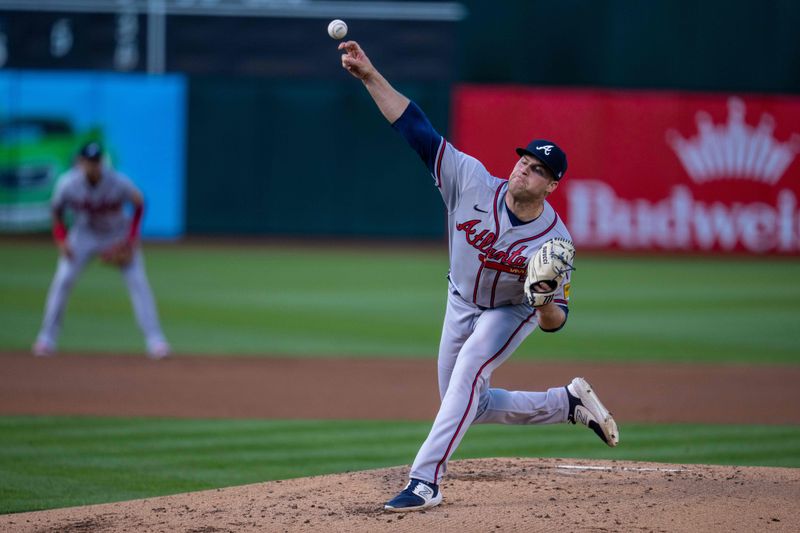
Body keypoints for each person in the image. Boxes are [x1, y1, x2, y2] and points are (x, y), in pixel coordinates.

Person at [339, 41, 619, 512]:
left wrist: (543, 300)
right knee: (466, 400)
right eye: (524, 161)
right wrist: (370, 75)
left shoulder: (556, 242)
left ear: (552, 186)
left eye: (537, 171)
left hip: (510, 311)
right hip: (459, 300)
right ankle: (566, 403)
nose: (524, 170)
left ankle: (425, 480)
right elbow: (415, 128)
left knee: (469, 372)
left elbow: (556, 321)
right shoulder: (469, 179)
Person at [32, 142, 170, 359]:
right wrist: (62, 240)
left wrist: (132, 239)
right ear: (80, 162)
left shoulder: (117, 182)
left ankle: (156, 340)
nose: (93, 166)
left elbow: (139, 202)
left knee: (138, 283)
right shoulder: (68, 184)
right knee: (63, 279)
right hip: (83, 235)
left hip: (116, 234)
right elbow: (56, 211)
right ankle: (46, 338)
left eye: (96, 162)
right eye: (89, 161)